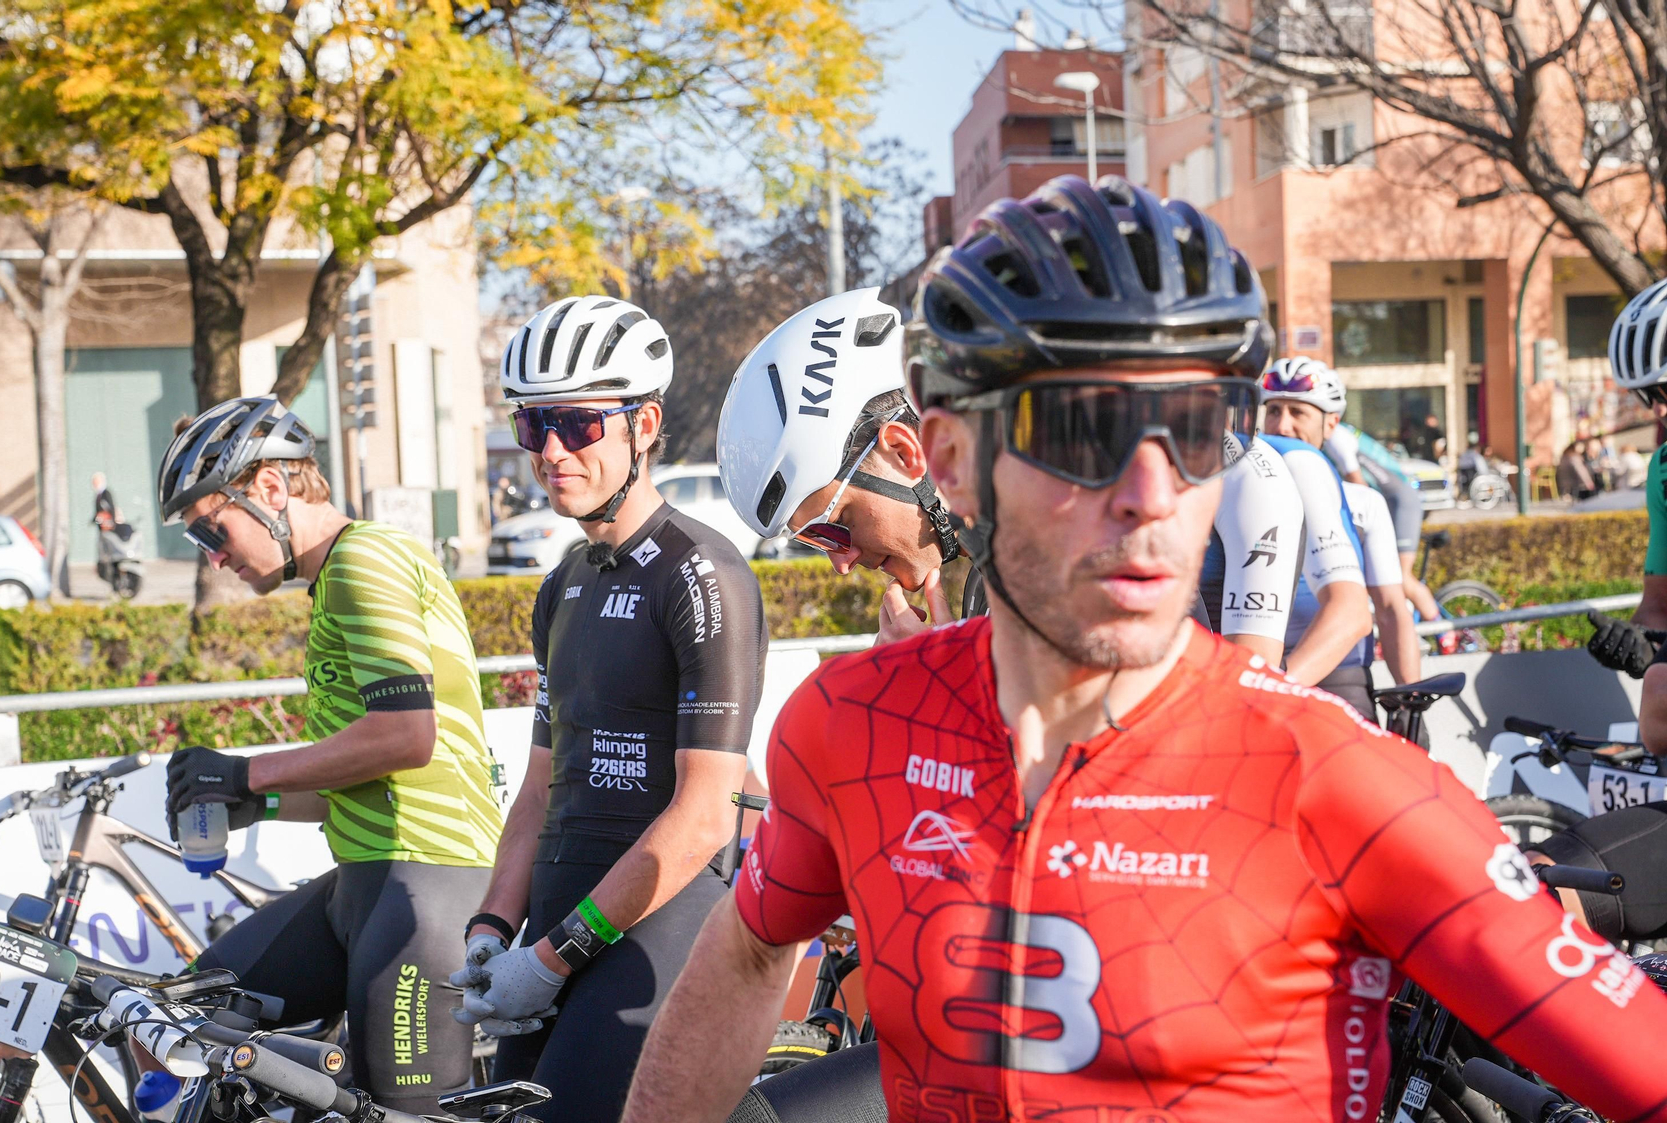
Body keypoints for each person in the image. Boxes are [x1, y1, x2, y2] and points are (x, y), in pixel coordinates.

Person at [621, 175, 1667, 1123]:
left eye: (1198, 430)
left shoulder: (1343, 785)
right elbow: (755, 953)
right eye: (1082, 432)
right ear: (946, 457)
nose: (1151, 493)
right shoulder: (847, 724)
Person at [453, 296, 768, 1123]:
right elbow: (539, 790)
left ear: (645, 423)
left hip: (660, 919)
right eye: (533, 427)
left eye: (581, 424)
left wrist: (553, 958)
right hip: (563, 919)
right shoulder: (564, 582)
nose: (552, 451)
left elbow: (705, 814)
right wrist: (491, 927)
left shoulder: (702, 573)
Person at [154, 395, 501, 1115]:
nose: (214, 557)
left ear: (272, 489)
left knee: (400, 1115)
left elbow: (408, 735)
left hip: (427, 887)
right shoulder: (332, 579)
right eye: (198, 543)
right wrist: (259, 799)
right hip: (365, 884)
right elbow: (366, 766)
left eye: (211, 530)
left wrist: (248, 770)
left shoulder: (365, 558)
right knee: (185, 1018)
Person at [715, 287, 965, 645]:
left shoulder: (1061, 563)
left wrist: (937, 678)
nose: (842, 565)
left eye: (834, 529)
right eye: (818, 541)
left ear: (902, 453)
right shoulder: (995, 582)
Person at [1259, 359, 1421, 690]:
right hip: (1258, 672)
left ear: (1331, 424)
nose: (1282, 426)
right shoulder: (1236, 495)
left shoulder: (1363, 503)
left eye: (1297, 413)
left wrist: (1410, 697)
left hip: (1338, 676)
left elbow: (1390, 609)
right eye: (1273, 411)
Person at [1588, 278, 1667, 677]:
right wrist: (1635, 641)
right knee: (1657, 697)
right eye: (1649, 395)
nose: (1659, 411)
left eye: (1665, 392)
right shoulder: (1664, 467)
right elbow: (1660, 605)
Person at [1325, 416, 1441, 622]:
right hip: (1391, 499)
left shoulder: (1335, 437)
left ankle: (1444, 633)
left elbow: (1360, 488)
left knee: (1401, 577)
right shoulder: (1336, 430)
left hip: (1402, 501)